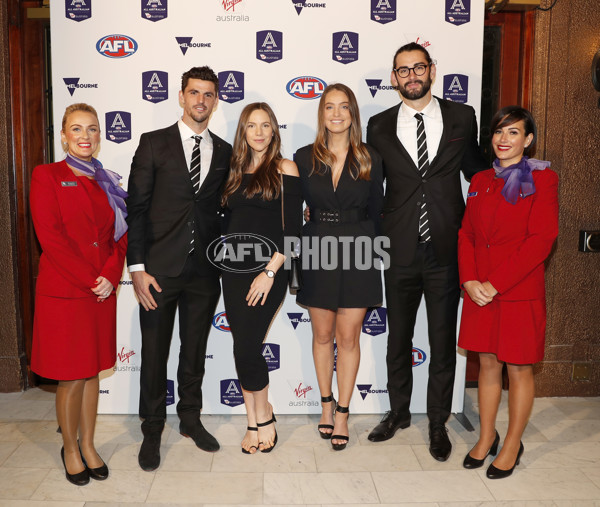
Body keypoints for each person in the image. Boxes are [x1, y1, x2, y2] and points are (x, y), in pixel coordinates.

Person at [366, 42, 487, 461]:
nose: (411, 76)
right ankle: (398, 414)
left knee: (440, 342)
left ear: (432, 70)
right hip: (397, 249)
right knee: (397, 340)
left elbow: (476, 172)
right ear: (394, 77)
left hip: (446, 249)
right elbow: (370, 186)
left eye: (418, 68)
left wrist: (518, 175)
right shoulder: (378, 126)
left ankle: (437, 423)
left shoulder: (461, 116)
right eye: (403, 70)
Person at [126, 66, 232, 471]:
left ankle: (190, 418)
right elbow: (136, 209)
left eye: (208, 94)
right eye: (194, 93)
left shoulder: (223, 151)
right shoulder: (153, 144)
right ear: (182, 96)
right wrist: (137, 267)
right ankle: (152, 428)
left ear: (216, 99)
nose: (201, 100)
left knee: (195, 351)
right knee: (154, 354)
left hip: (204, 272)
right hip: (157, 272)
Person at [30, 103, 128, 486]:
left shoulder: (108, 180)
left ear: (99, 136)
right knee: (71, 376)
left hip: (100, 292)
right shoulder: (47, 176)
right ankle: (69, 448)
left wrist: (108, 274)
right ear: (64, 136)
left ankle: (88, 444)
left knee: (92, 374)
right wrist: (92, 278)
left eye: (91, 129)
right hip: (67, 291)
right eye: (76, 129)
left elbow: (119, 235)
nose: (85, 136)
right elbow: (51, 238)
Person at [458, 106, 558, 479]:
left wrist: (495, 284)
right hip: (479, 290)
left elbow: (541, 240)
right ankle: (487, 437)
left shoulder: (543, 180)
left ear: (528, 140)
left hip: (516, 290)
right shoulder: (480, 178)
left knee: (518, 368)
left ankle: (513, 443)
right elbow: (466, 233)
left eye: (513, 132)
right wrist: (469, 281)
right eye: (500, 131)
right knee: (486, 364)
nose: (504, 139)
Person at [295, 83, 384, 451]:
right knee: (321, 336)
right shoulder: (303, 157)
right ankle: (326, 405)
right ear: (321, 114)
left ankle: (344, 413)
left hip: (360, 247)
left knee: (349, 338)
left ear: (352, 114)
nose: (336, 113)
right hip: (316, 246)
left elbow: (378, 211)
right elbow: (289, 210)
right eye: (329, 106)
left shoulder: (370, 158)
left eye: (343, 106)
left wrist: (377, 256)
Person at [221, 102, 302, 454]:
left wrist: (270, 271)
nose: (258, 132)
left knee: (250, 344)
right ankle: (254, 418)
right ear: (243, 131)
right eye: (251, 125)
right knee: (242, 345)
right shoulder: (234, 171)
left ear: (274, 131)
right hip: (233, 270)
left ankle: (265, 415)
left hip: (270, 269)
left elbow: (293, 229)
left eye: (264, 125)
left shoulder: (285, 168)